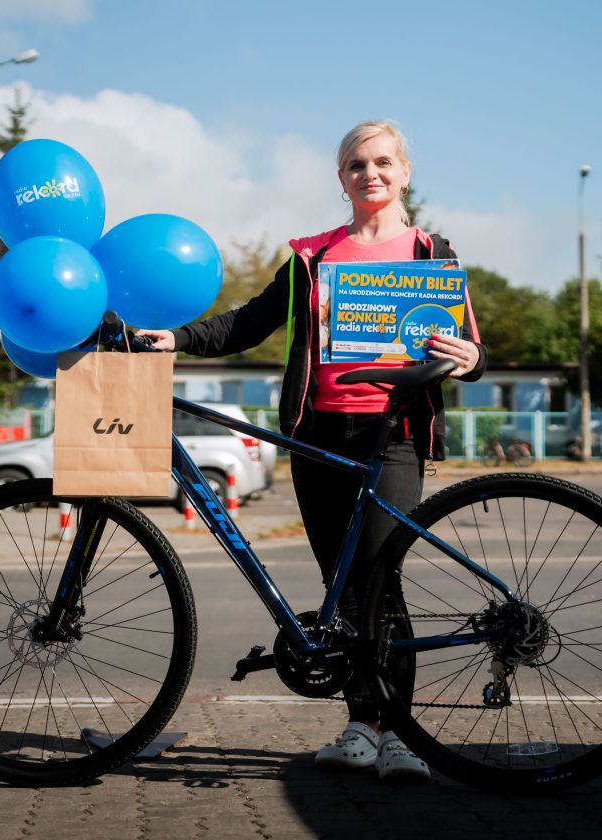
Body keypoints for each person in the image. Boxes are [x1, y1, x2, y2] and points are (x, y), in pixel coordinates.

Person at [139, 121, 487, 781]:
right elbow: (249, 321)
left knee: (381, 583)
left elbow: (470, 348)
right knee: (342, 587)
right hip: (319, 435)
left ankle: (401, 735)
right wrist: (175, 338)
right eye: (356, 164)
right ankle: (361, 726)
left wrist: (470, 360)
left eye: (383, 162)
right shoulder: (313, 256)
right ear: (341, 178)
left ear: (404, 172)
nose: (370, 174)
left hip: (394, 437)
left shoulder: (430, 254)